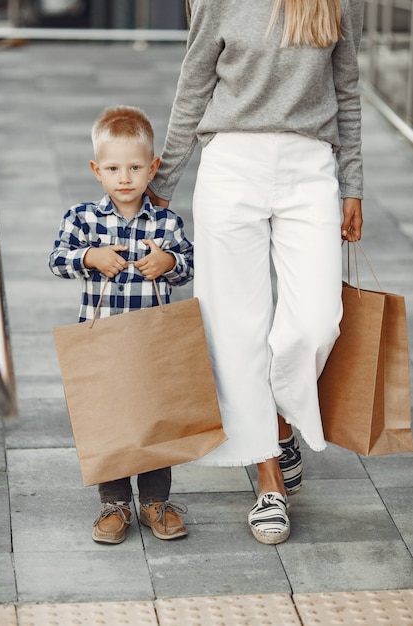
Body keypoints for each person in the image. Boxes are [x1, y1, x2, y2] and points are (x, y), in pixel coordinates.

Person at [147, 0, 364, 545]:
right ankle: (269, 478)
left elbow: (348, 90)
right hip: (231, 167)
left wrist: (353, 182)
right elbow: (192, 85)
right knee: (235, 326)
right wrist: (164, 184)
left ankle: (283, 419)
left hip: (308, 168)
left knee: (316, 322)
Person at [49, 105, 194, 544]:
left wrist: (168, 261)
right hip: (104, 344)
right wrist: (89, 256)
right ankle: (114, 504)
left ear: (153, 168)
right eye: (113, 168)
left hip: (154, 345)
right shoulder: (83, 220)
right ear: (97, 170)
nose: (125, 178)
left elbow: (188, 265)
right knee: (109, 420)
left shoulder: (166, 223)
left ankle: (155, 501)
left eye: (134, 167)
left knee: (154, 418)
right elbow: (57, 259)